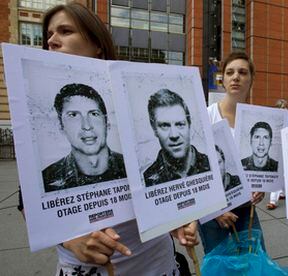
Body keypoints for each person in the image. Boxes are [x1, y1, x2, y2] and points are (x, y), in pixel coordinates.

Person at [17, 3, 198, 275]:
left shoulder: (133, 101)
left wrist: (177, 217)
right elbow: (28, 203)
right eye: (49, 36)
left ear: (97, 43)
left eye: (65, 31)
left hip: (154, 263)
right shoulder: (44, 158)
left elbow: (158, 187)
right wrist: (68, 237)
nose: (52, 41)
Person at [198, 52, 266, 254]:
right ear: (223, 79)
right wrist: (216, 210)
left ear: (251, 79)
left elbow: (256, 164)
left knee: (255, 260)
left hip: (246, 207)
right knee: (221, 265)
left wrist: (261, 185)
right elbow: (197, 170)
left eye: (243, 72)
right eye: (230, 72)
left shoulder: (257, 119)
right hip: (212, 210)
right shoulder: (206, 115)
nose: (236, 77)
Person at [42, 83, 126, 192]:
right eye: (73, 115)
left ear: (107, 123)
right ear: (61, 126)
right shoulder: (46, 180)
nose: (86, 126)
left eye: (94, 114)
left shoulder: (132, 168)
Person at [143, 88, 210, 186]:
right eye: (165, 125)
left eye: (180, 124)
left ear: (189, 124)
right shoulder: (146, 180)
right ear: (154, 129)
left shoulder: (214, 165)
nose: (174, 135)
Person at [267, 99, 288, 210]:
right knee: (277, 172)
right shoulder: (273, 119)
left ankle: (279, 196)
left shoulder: (287, 118)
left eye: (284, 106)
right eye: (281, 107)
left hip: (284, 147)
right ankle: (275, 199)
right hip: (276, 147)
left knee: (282, 173)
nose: (283, 109)